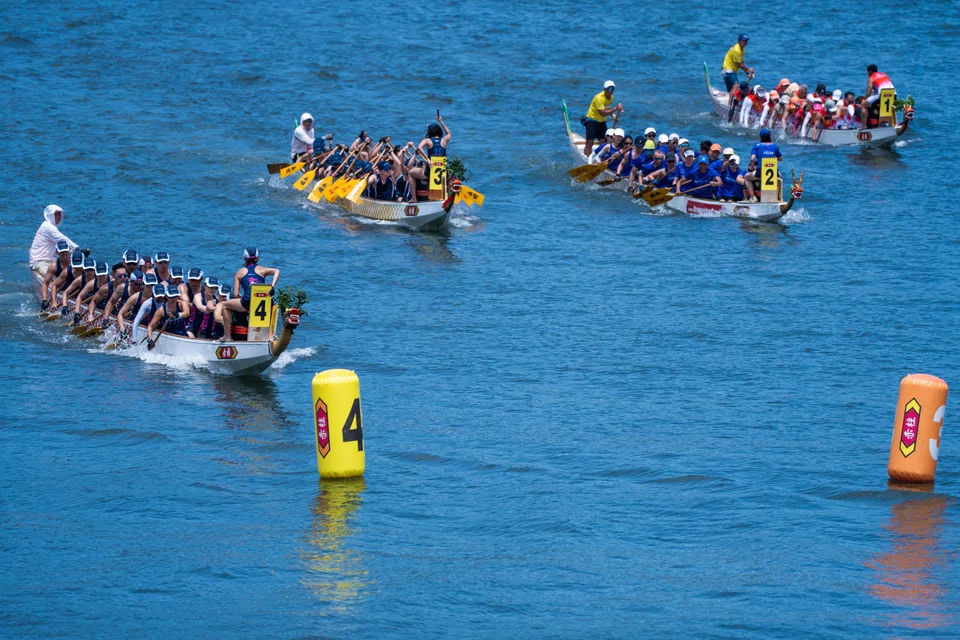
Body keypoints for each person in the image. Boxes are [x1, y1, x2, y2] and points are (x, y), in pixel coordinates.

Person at [215, 248, 280, 342]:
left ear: (244, 258)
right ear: (257, 258)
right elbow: (277, 271)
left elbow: (236, 294)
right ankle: (270, 335)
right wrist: (272, 287)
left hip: (247, 301)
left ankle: (228, 337)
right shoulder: (262, 270)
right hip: (265, 301)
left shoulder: (239, 272)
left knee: (224, 306)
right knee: (273, 304)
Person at [29, 204, 80, 276]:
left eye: (59, 215)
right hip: (40, 261)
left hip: (51, 260)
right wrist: (77, 248)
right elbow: (63, 239)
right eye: (56, 215)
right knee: (52, 277)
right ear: (50, 215)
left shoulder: (49, 226)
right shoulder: (48, 227)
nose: (58, 217)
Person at [582, 81, 623, 157]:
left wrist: (612, 115)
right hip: (592, 120)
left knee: (603, 141)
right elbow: (603, 113)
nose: (611, 90)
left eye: (613, 88)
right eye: (609, 88)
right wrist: (616, 108)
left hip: (601, 121)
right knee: (590, 142)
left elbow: (607, 108)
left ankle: (601, 158)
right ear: (605, 89)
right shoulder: (599, 98)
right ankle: (587, 158)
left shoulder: (611, 98)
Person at [744, 128, 783, 201]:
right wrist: (772, 158)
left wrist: (752, 168)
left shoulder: (757, 145)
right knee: (780, 177)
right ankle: (778, 197)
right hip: (774, 172)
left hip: (760, 172)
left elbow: (752, 159)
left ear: (761, 137)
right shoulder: (774, 146)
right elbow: (781, 158)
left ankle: (753, 197)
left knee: (746, 177)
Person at [40, 241, 72, 310]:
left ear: (69, 249)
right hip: (62, 290)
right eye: (62, 252)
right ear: (57, 252)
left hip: (75, 290)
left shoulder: (76, 263)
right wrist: (44, 300)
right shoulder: (54, 266)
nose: (65, 254)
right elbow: (45, 283)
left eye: (66, 251)